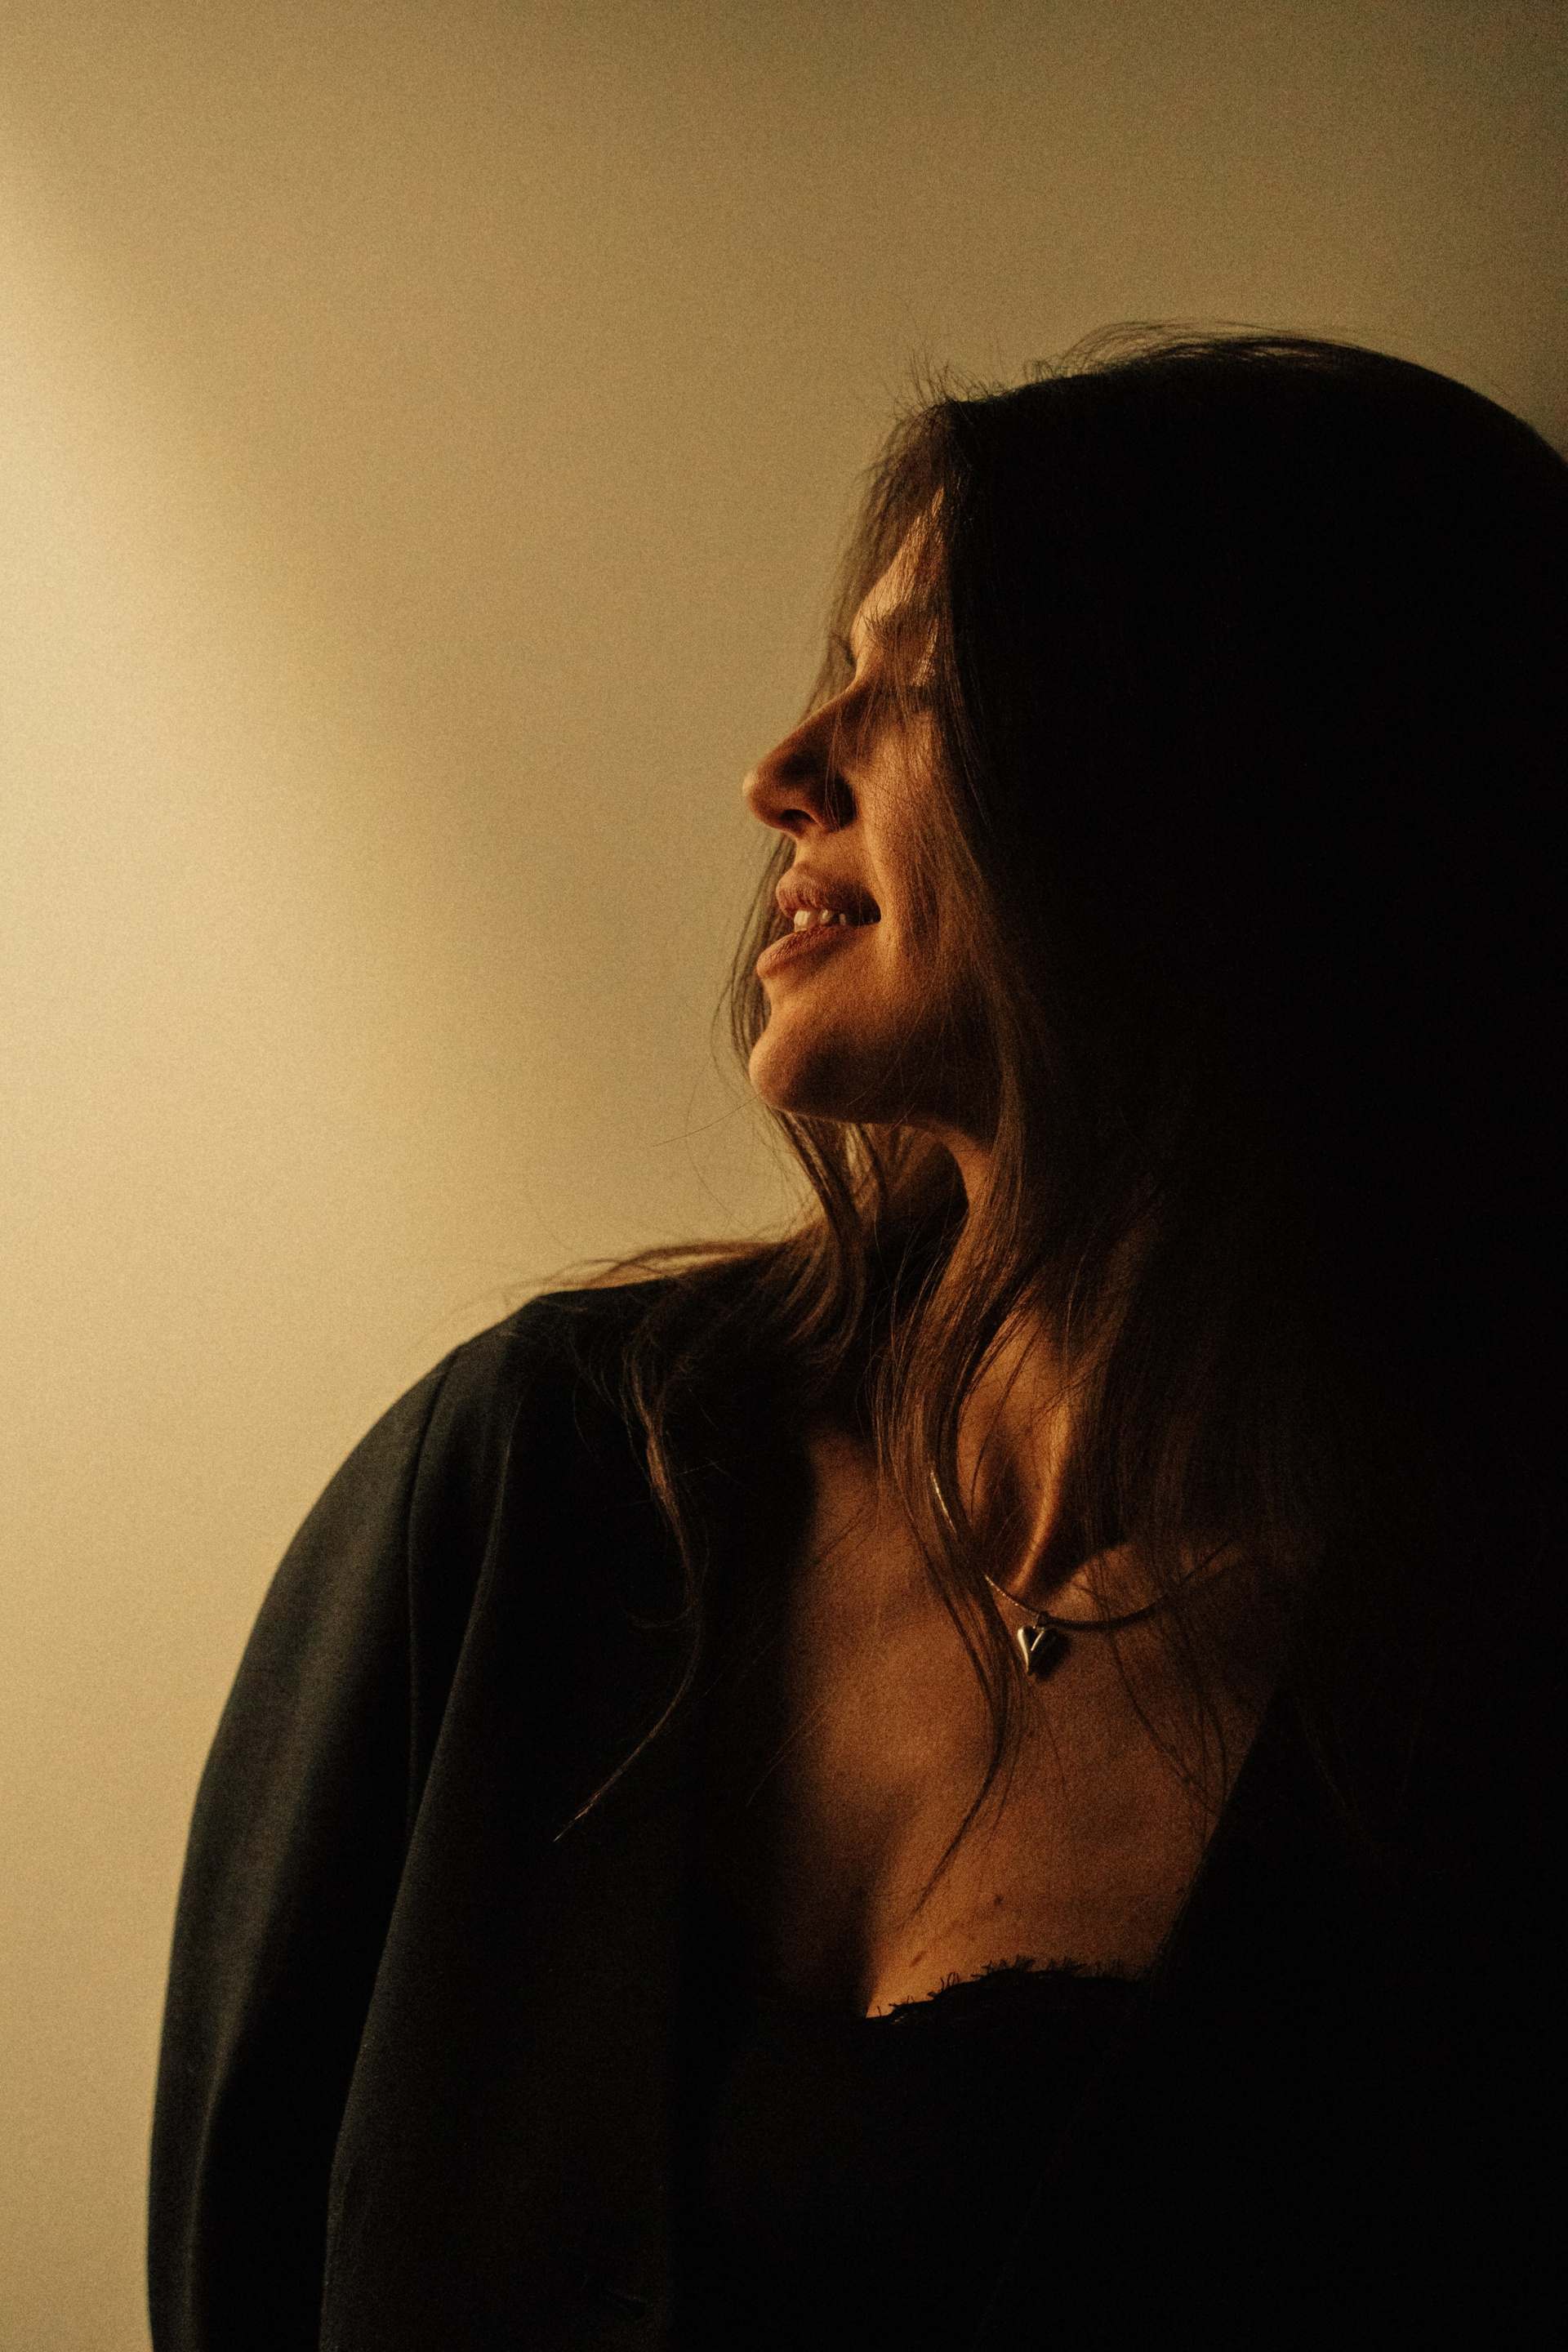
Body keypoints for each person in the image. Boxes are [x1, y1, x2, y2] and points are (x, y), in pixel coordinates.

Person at [149, 327, 1563, 2351]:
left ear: (1238, 782)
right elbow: (239, 2253)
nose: (782, 775)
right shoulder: (538, 1483)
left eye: (917, 686)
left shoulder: (1493, 1699)